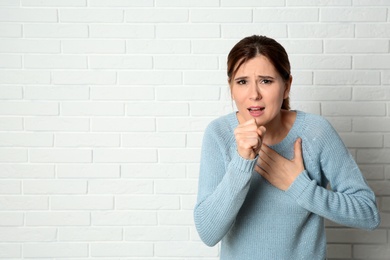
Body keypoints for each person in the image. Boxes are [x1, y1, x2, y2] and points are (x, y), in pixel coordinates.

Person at [193, 35, 380, 260]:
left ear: (287, 86)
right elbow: (208, 233)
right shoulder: (219, 134)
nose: (254, 94)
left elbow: (368, 213)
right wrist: (242, 162)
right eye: (242, 82)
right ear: (231, 88)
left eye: (266, 81)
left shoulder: (316, 132)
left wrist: (298, 186)